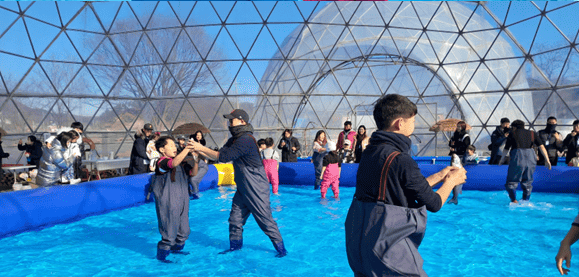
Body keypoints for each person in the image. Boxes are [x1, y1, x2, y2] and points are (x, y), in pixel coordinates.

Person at [345, 94, 467, 276]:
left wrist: (439, 176)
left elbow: (397, 188)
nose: (414, 124)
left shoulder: (371, 152)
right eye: (413, 119)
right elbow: (433, 203)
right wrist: (451, 181)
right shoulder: (401, 159)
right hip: (387, 250)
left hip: (361, 247)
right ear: (400, 123)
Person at [191, 109, 287, 257]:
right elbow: (219, 156)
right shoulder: (234, 139)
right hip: (243, 188)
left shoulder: (246, 139)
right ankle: (235, 249)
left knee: (265, 221)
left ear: (242, 121)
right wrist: (197, 150)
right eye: (229, 120)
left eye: (232, 120)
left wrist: (201, 147)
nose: (229, 123)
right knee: (235, 220)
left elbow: (225, 156)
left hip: (256, 187)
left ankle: (282, 251)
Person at [151, 136, 197, 263]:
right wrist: (187, 149)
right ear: (162, 149)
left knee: (184, 231)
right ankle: (161, 257)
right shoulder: (161, 162)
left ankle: (176, 250)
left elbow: (193, 173)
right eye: (170, 146)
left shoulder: (181, 162)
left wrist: (196, 158)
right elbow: (173, 163)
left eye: (174, 145)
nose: (174, 148)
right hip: (168, 202)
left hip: (182, 200)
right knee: (169, 232)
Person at [503, 120, 551, 204]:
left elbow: (506, 149)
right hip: (531, 158)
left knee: (511, 182)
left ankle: (514, 200)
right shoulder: (533, 133)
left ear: (514, 127)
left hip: (518, 157)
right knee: (527, 182)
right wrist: (547, 159)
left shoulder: (513, 133)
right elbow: (542, 147)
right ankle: (525, 201)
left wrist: (502, 160)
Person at [188, 131, 209, 200]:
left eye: (199, 135)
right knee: (193, 180)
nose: (198, 136)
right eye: (197, 135)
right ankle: (194, 193)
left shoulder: (202, 145)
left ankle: (196, 194)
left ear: (202, 136)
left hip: (202, 165)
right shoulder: (193, 144)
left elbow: (206, 154)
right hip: (196, 164)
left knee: (193, 180)